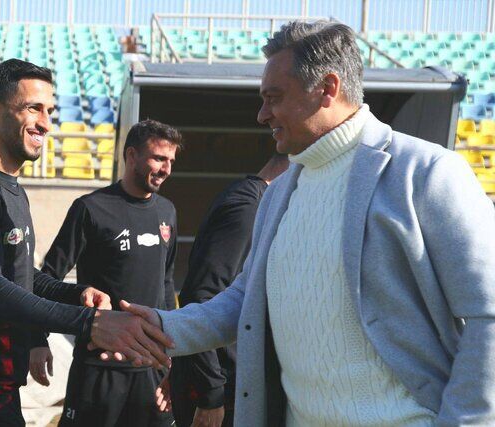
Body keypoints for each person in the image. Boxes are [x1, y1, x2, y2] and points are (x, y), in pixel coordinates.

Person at [120, 20, 495, 426]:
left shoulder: (427, 172)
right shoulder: (277, 195)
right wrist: (161, 325)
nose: (262, 114)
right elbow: (244, 300)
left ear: (327, 89)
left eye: (274, 98)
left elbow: (487, 315)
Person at [0, 59, 172, 426]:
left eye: (50, 111)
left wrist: (77, 293)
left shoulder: (12, 190)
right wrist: (89, 322)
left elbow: (21, 275)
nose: (45, 122)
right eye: (33, 108)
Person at [38, 119, 182, 427]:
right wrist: (38, 339)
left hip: (151, 369)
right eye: (158, 158)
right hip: (99, 367)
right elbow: (45, 278)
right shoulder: (91, 208)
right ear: (131, 156)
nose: (166, 169)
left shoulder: (167, 211)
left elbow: (166, 282)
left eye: (171, 160)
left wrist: (174, 353)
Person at [169, 153, 289, 427]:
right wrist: (210, 393)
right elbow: (201, 295)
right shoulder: (249, 207)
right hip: (222, 393)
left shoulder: (253, 201)